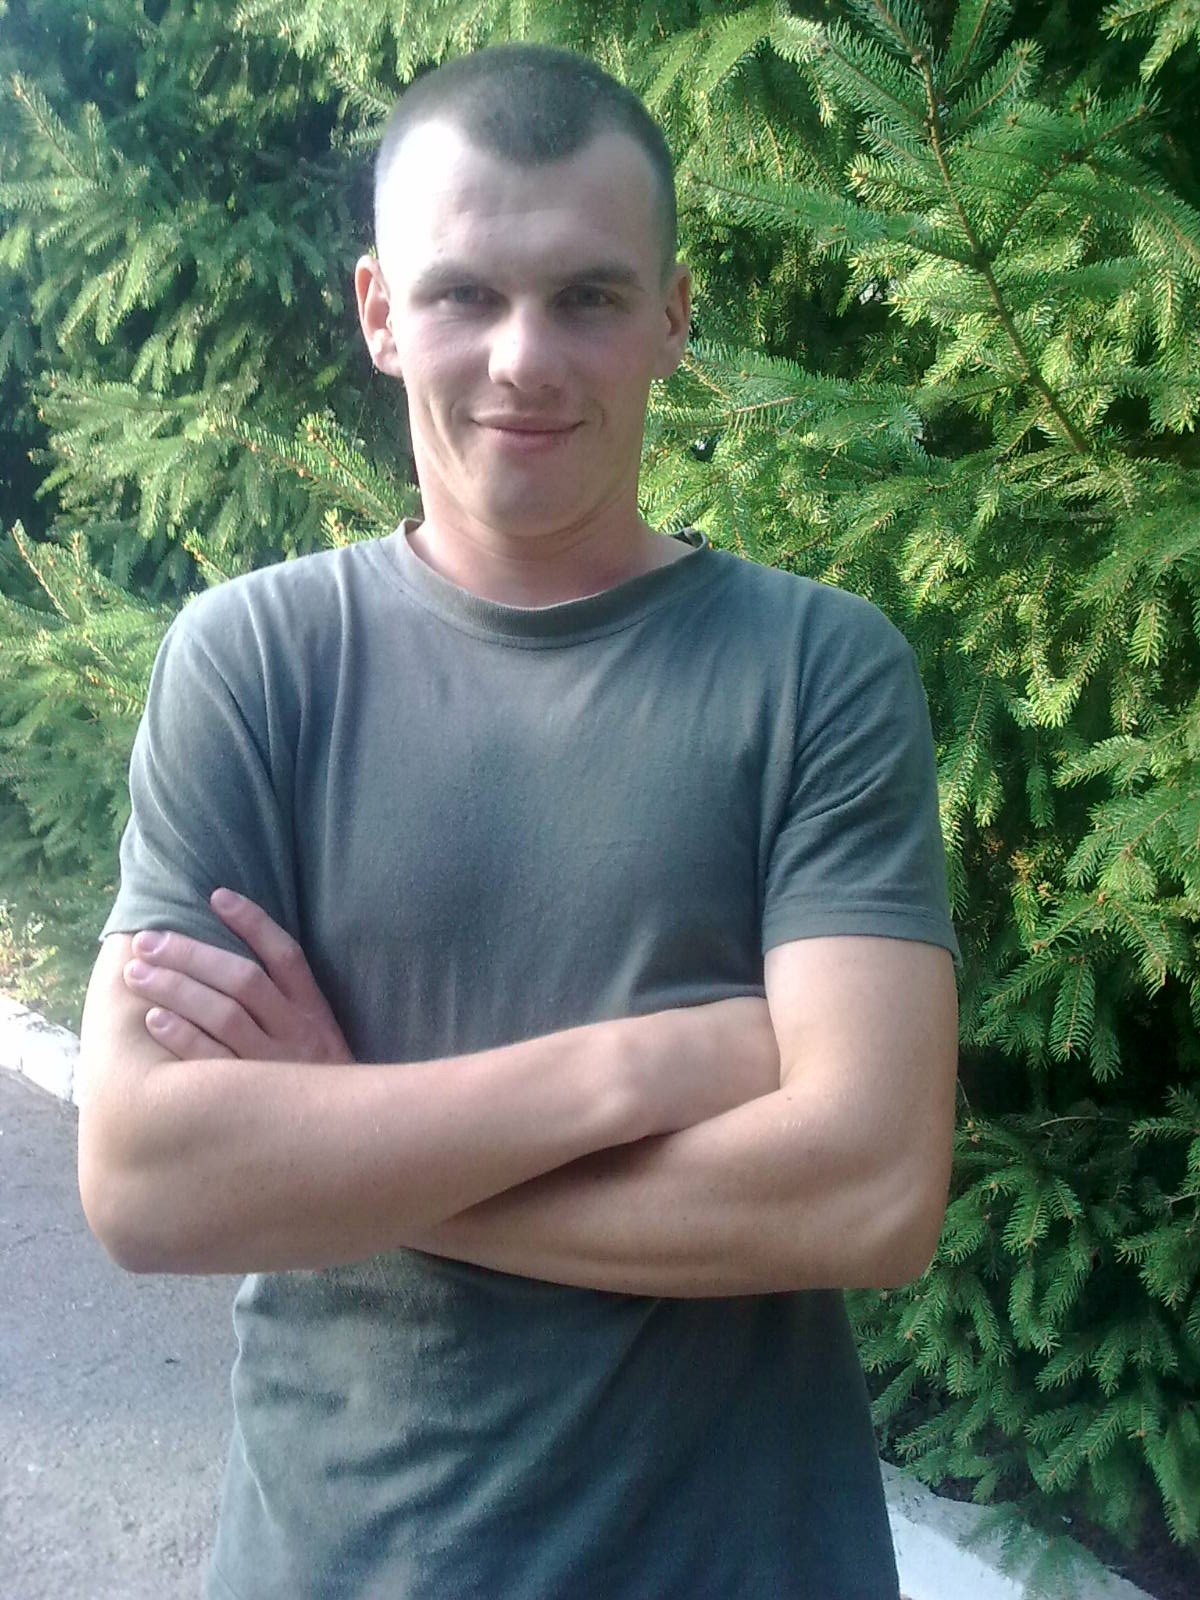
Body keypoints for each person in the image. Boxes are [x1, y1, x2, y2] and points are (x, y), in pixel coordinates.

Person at [77, 43, 959, 1600]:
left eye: (589, 296)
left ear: (673, 316)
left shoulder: (818, 672)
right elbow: (150, 1182)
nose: (524, 358)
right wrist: (644, 1068)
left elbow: (868, 1193)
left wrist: (348, 1144)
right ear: (378, 313)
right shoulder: (256, 662)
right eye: (464, 294)